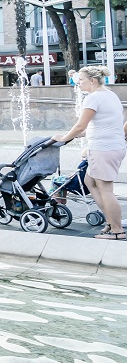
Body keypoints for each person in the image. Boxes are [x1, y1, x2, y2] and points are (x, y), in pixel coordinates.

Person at [51, 65, 127, 240]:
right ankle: (110, 221)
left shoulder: (93, 98)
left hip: (103, 149)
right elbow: (104, 123)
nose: (78, 84)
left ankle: (117, 231)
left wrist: (64, 138)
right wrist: (83, 135)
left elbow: (80, 125)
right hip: (112, 146)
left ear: (92, 81)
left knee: (106, 189)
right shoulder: (110, 95)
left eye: (81, 81)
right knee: (89, 182)